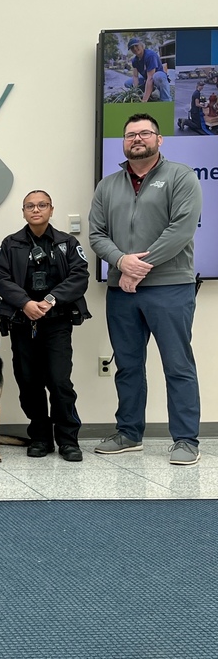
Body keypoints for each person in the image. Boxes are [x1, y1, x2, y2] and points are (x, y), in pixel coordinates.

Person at [89, 113, 203, 465]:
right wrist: (122, 262)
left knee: (177, 364)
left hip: (170, 287)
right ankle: (128, 433)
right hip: (121, 291)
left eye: (144, 133)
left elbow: (181, 229)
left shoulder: (180, 176)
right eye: (130, 135)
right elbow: (96, 235)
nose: (137, 139)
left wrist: (137, 268)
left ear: (159, 139)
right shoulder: (108, 185)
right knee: (128, 365)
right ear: (123, 143)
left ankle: (185, 440)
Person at [0, 190, 91, 462]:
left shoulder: (67, 243)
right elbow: (1, 278)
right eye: (30, 206)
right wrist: (25, 303)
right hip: (23, 323)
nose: (36, 210)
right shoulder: (11, 244)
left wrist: (49, 300)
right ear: (23, 212)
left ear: (51, 209)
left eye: (42, 205)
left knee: (59, 382)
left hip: (56, 323)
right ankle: (40, 437)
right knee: (29, 382)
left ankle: (68, 440)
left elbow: (80, 276)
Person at [126, 37, 171, 102]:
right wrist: (135, 92)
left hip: (157, 77)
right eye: (132, 48)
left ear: (142, 45)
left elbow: (150, 78)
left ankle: (166, 100)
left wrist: (144, 100)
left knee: (158, 77)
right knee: (128, 83)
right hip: (146, 78)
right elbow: (135, 77)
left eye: (136, 45)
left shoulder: (150, 56)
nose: (135, 48)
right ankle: (146, 94)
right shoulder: (134, 60)